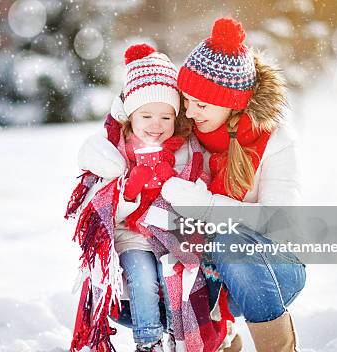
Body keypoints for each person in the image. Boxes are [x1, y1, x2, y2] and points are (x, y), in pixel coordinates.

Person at [78, 18, 307, 352]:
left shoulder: (276, 140)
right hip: (204, 264)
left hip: (273, 267)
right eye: (185, 100)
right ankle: (219, 338)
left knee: (231, 246)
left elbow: (280, 222)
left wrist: (208, 206)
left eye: (200, 104)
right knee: (150, 273)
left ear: (232, 101)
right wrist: (103, 145)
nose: (189, 110)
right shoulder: (188, 124)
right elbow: (142, 106)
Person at [68, 44, 228, 352]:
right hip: (132, 236)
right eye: (147, 116)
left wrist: (173, 185)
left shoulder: (186, 151)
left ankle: (177, 337)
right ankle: (148, 340)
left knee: (174, 281)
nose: (157, 125)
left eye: (166, 117)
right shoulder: (117, 152)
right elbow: (101, 211)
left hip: (172, 235)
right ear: (131, 116)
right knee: (142, 281)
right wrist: (129, 190)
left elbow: (199, 193)